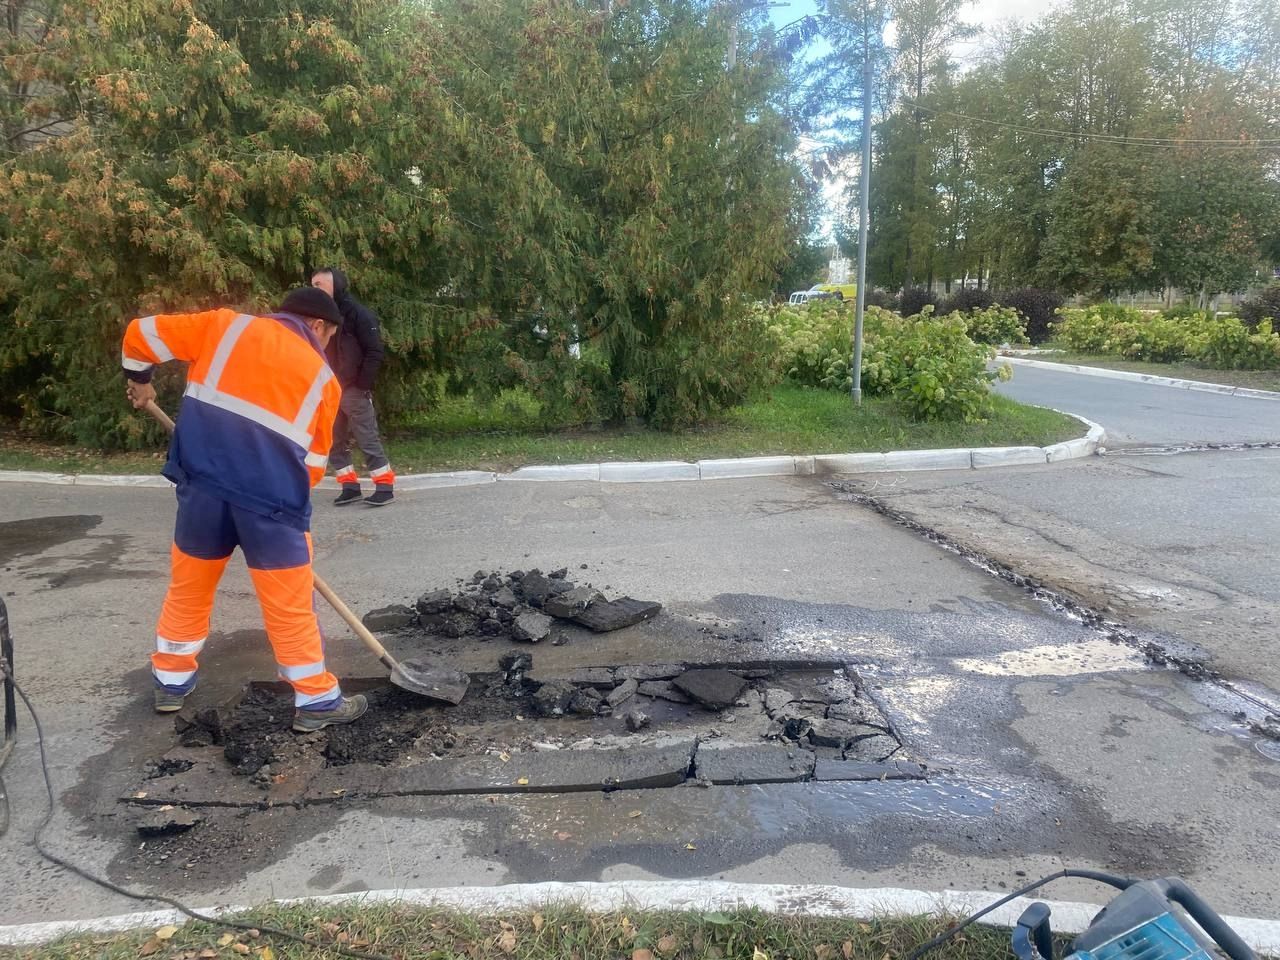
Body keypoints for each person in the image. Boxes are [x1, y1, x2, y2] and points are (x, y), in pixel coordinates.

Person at [122, 288, 368, 733]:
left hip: (204, 494)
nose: (325, 345)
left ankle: (170, 682)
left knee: (189, 588)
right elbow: (312, 468)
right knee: (290, 607)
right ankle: (315, 700)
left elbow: (140, 335)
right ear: (317, 326)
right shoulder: (323, 380)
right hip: (273, 508)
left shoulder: (224, 326)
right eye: (328, 336)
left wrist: (140, 381)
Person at [309, 267, 395, 506]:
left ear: (335, 285)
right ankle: (349, 486)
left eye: (319, 284)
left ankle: (385, 486)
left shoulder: (358, 314)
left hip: (353, 390)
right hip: (329, 389)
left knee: (367, 437)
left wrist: (361, 385)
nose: (314, 289)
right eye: (312, 284)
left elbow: (374, 351)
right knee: (333, 441)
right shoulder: (319, 318)